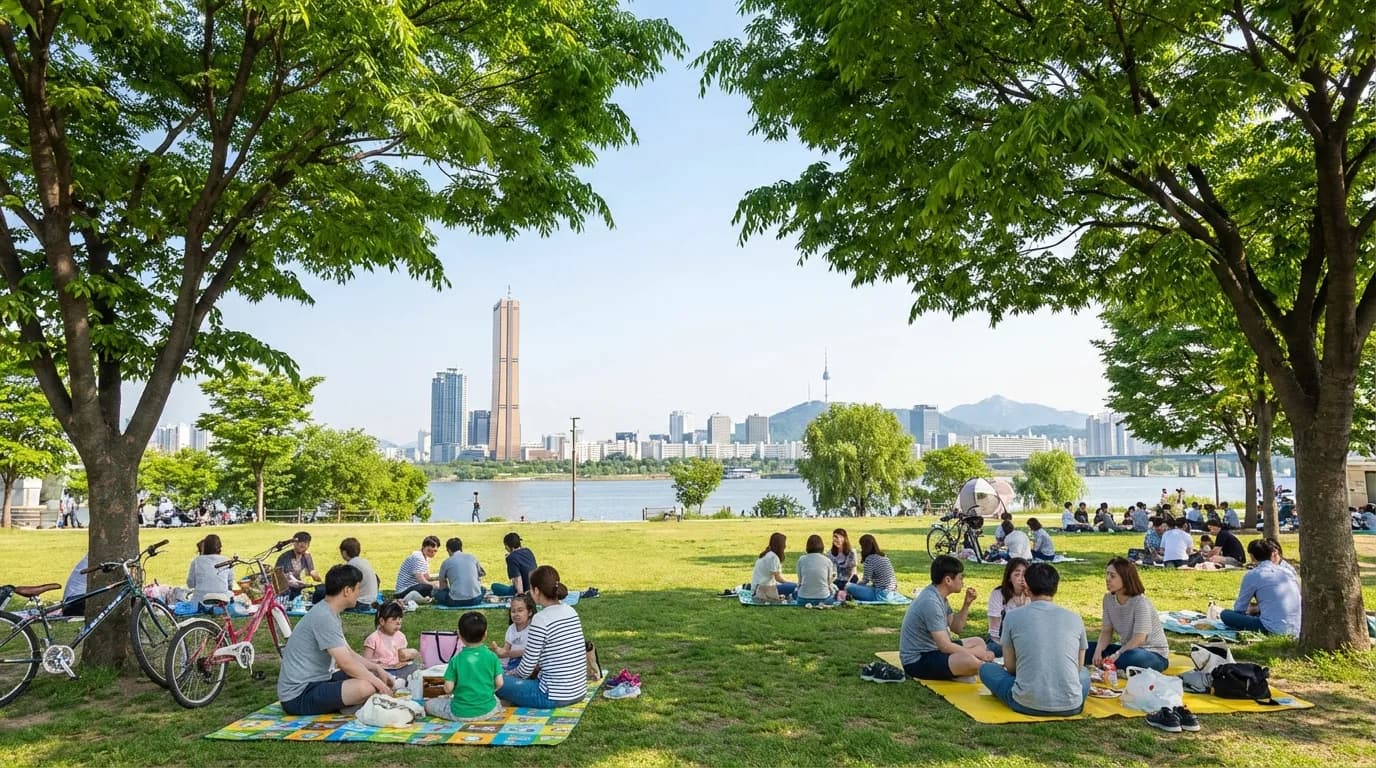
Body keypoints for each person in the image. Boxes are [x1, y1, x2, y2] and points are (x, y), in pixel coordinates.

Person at [277, 564, 397, 715]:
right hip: (299, 696)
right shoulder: (324, 616)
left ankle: (349, 703)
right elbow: (345, 663)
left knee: (373, 676)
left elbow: (349, 653)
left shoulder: (329, 612)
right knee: (366, 687)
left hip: (319, 680)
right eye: (357, 589)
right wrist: (381, 686)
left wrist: (377, 669)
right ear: (347, 590)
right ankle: (351, 705)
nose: (359, 594)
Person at [978, 562, 1090, 717]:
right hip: (1071, 705)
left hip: (1025, 702)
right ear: (1055, 588)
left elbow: (1010, 667)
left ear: (1027, 588)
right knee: (1084, 673)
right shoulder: (1075, 618)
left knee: (986, 669)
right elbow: (1078, 666)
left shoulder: (1012, 617)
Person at [498, 565, 590, 709]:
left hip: (551, 695)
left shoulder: (541, 619)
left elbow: (525, 669)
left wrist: (507, 676)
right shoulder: (570, 611)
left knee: (492, 678)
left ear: (536, 591)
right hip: (578, 691)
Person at [899, 555, 995, 680]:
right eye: (961, 577)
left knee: (978, 641)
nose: (963, 581)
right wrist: (978, 654)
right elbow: (945, 646)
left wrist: (966, 604)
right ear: (948, 580)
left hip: (934, 650)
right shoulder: (931, 602)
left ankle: (964, 669)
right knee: (969, 660)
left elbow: (956, 627)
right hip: (917, 660)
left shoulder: (940, 596)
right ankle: (988, 669)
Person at [1085, 557, 1169, 672]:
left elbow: (1139, 638)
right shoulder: (1108, 599)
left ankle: (1112, 662)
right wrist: (1098, 652)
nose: (1108, 579)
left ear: (1125, 578)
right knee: (1083, 648)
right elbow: (1106, 631)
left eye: (1113, 576)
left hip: (1151, 654)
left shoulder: (1140, 602)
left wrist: (1118, 654)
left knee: (1132, 658)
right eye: (1107, 574)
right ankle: (1109, 662)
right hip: (1126, 649)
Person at [426, 611, 505, 722]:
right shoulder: (492, 656)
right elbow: (500, 683)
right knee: (495, 699)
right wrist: (489, 691)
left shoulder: (456, 660)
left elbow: (448, 689)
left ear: (459, 634)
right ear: (485, 634)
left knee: (429, 704)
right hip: (488, 711)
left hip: (460, 713)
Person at [1220, 539, 1301, 636]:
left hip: (1272, 628)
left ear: (1252, 556)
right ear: (1272, 554)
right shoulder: (1287, 572)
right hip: (1297, 626)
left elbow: (1240, 608)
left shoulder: (1254, 574)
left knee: (1225, 614)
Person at [985, 557, 1031, 656]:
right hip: (1000, 642)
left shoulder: (1033, 595)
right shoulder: (998, 594)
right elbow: (995, 631)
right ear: (1009, 578)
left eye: (1025, 574)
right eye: (1017, 574)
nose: (1022, 579)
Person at [362, 600, 420, 671]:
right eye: (394, 619)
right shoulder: (373, 639)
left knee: (415, 667)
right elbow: (365, 663)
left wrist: (410, 654)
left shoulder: (400, 636)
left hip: (397, 669)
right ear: (382, 621)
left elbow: (402, 656)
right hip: (380, 671)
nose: (398, 622)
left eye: (399, 619)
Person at [843, 534, 898, 602]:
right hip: (891, 593)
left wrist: (855, 585)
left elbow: (865, 580)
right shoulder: (883, 556)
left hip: (881, 594)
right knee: (863, 587)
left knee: (848, 586)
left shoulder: (870, 559)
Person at [435, 537, 487, 607]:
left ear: (448, 550)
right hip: (476, 599)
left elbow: (442, 585)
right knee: (482, 589)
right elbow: (480, 575)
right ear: (461, 548)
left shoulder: (446, 563)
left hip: (455, 601)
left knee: (437, 593)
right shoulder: (472, 558)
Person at [491, 593, 535, 671]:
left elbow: (531, 652)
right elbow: (506, 649)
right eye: (513, 611)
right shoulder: (511, 629)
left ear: (530, 612)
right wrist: (499, 651)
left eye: (520, 610)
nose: (516, 614)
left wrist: (508, 654)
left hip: (529, 663)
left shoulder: (534, 628)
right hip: (513, 661)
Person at [186, 534, 233, 604]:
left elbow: (190, 584)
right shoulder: (227, 560)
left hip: (200, 600)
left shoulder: (196, 561)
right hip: (222, 600)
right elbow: (230, 584)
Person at [275, 532, 321, 600]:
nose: (303, 546)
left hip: (298, 589)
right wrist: (293, 582)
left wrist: (317, 578)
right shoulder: (284, 557)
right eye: (300, 543)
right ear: (294, 543)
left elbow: (311, 572)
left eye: (306, 543)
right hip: (285, 592)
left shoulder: (306, 556)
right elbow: (277, 578)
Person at [395, 535, 441, 602]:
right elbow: (421, 581)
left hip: (411, 587)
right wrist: (435, 584)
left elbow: (427, 577)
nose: (432, 553)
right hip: (403, 591)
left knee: (434, 585)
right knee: (428, 587)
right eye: (429, 551)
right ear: (423, 547)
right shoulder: (418, 557)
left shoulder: (425, 557)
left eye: (435, 551)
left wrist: (440, 577)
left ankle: (423, 598)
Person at [491, 532, 538, 597]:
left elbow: (517, 578)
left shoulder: (511, 558)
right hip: (535, 588)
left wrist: (520, 594)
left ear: (507, 546)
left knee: (494, 586)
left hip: (524, 589)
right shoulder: (528, 551)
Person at [795, 534, 838, 605]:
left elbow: (800, 581)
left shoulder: (801, 560)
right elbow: (829, 583)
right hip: (823, 598)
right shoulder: (827, 561)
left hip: (803, 598)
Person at [751, 532, 796, 598]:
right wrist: (787, 583)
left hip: (756, 587)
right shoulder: (773, 557)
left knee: (790, 585)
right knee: (794, 586)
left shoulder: (766, 554)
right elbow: (777, 578)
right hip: (762, 590)